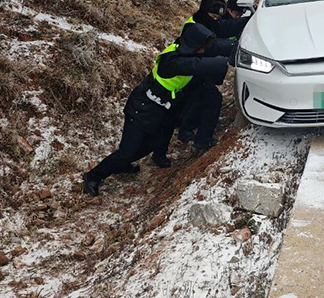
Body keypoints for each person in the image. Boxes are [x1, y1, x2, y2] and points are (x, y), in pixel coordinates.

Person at [81, 21, 229, 197]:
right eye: (202, 48)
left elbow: (209, 53)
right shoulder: (171, 60)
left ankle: (122, 164)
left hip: (158, 109)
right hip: (141, 108)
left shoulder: (187, 51)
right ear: (193, 46)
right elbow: (196, 65)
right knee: (126, 151)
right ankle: (93, 176)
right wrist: (224, 61)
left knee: (150, 145)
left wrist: (235, 49)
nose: (204, 52)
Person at [174, 0, 250, 149]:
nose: (216, 20)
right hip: (189, 71)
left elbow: (226, 27)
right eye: (214, 16)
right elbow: (213, 46)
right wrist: (236, 46)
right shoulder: (194, 28)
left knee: (200, 100)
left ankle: (189, 131)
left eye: (218, 18)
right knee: (212, 99)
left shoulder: (207, 22)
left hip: (197, 70)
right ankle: (202, 139)